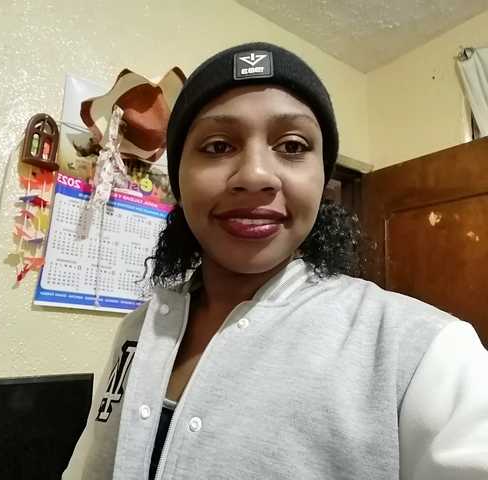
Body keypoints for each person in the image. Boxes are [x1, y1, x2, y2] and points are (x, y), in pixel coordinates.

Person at [63, 42, 488, 480]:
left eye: (292, 145)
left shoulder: (427, 354)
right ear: (179, 179)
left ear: (322, 179)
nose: (255, 176)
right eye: (217, 146)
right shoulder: (139, 327)